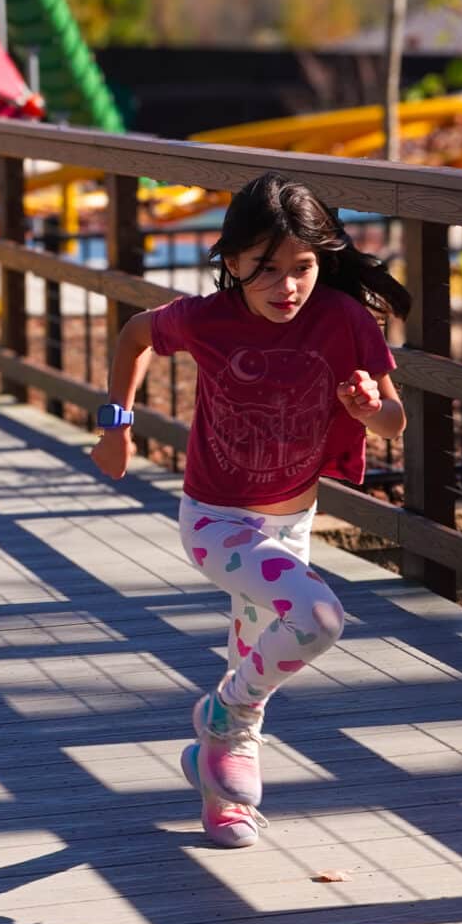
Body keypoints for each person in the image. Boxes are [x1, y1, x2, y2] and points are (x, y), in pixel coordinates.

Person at [90, 171, 410, 850]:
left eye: (302, 267)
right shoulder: (207, 319)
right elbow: (133, 336)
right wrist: (116, 426)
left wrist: (367, 408)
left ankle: (219, 792)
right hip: (217, 520)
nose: (287, 287)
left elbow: (394, 422)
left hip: (292, 524)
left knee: (255, 647)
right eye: (266, 269)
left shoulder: (344, 319)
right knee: (318, 617)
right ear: (230, 262)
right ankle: (219, 716)